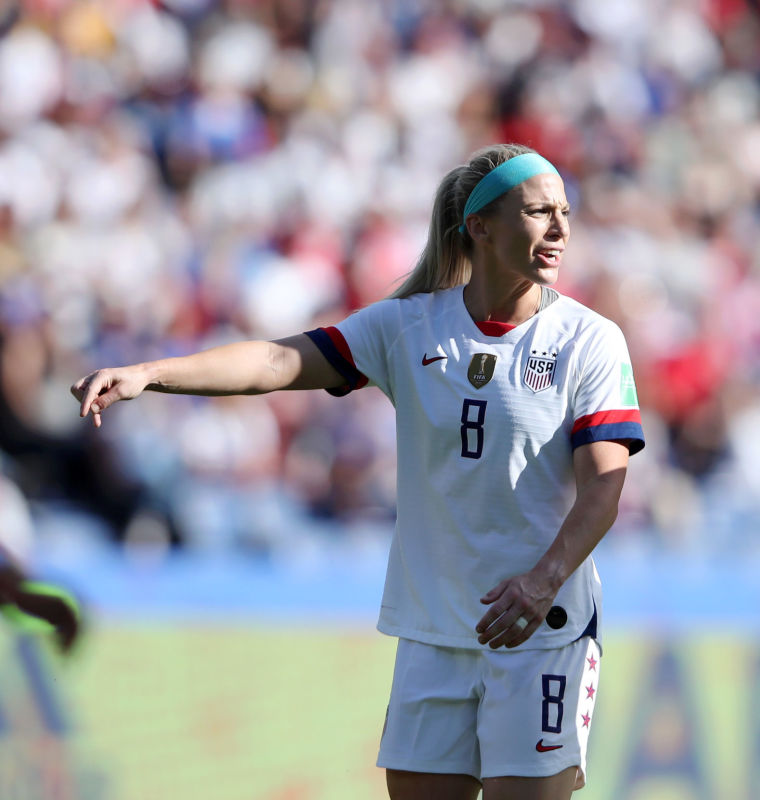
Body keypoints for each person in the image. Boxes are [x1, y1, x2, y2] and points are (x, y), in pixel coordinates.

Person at [71, 144, 645, 800]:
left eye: (564, 212)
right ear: (481, 227)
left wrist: (542, 583)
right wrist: (151, 374)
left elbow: (606, 483)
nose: (561, 227)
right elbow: (274, 364)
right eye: (539, 211)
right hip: (434, 628)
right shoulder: (409, 327)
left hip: (544, 629)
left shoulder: (588, 339)